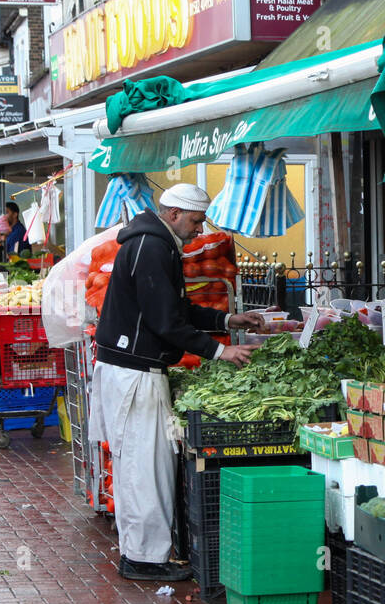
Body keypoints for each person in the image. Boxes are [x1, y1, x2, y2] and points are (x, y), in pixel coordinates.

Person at [90, 183, 261, 582]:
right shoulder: (152, 247)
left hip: (131, 368)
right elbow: (165, 322)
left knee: (143, 466)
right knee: (143, 469)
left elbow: (174, 308)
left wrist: (225, 321)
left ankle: (143, 554)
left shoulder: (155, 243)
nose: (200, 230)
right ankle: (143, 560)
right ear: (173, 214)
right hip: (135, 373)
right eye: (196, 221)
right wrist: (221, 352)